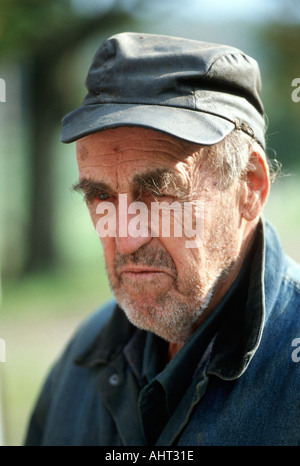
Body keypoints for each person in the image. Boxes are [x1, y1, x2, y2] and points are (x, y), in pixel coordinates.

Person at [24, 32, 300, 446]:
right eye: (100, 196)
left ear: (250, 187)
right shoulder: (83, 358)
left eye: (158, 193)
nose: (127, 239)